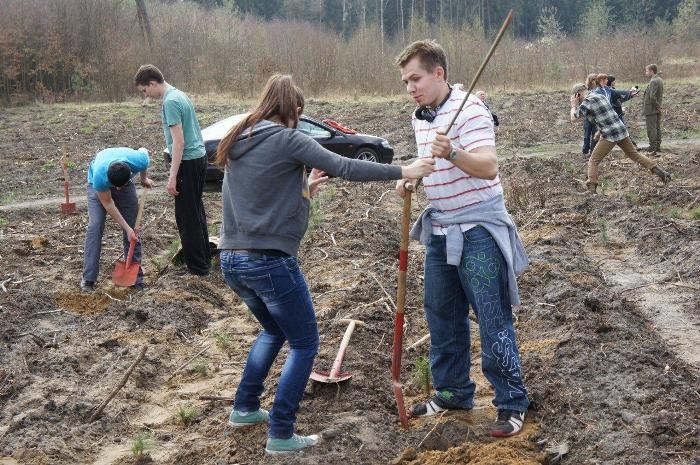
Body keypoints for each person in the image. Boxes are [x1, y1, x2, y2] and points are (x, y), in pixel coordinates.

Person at [213, 74, 434, 454]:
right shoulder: (288, 138)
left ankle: (245, 408)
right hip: (268, 261)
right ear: (292, 109)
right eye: (299, 114)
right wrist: (404, 170)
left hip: (233, 260)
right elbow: (346, 167)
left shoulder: (240, 138)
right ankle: (281, 432)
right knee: (305, 343)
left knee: (273, 331)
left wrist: (305, 189)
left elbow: (256, 197)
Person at [394, 39, 530, 438]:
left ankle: (511, 402)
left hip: (478, 231)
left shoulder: (470, 110)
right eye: (405, 82)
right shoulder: (421, 116)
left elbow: (488, 167)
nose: (410, 88)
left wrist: (453, 152)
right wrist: (412, 178)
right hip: (440, 229)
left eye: (416, 79)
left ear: (438, 73)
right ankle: (453, 392)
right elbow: (429, 164)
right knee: (441, 314)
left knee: (492, 317)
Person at [134, 64, 211, 276]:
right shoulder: (180, 94)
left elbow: (179, 142)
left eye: (145, 90)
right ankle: (204, 262)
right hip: (199, 158)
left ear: (152, 83)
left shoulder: (170, 102)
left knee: (186, 217)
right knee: (195, 212)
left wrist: (172, 177)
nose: (146, 95)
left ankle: (197, 269)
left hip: (188, 162)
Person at [570, 82, 671, 193]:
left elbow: (574, 118)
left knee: (593, 160)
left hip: (610, 135)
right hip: (620, 130)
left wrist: (574, 105)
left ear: (577, 94)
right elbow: (606, 115)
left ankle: (592, 190)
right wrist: (599, 131)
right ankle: (662, 173)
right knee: (635, 155)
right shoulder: (599, 95)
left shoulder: (587, 101)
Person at [81, 147, 153, 292]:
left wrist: (143, 178)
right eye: (115, 187)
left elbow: (144, 154)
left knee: (133, 230)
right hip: (97, 187)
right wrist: (126, 228)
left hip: (123, 179)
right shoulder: (100, 177)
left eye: (120, 187)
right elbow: (108, 203)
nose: (117, 190)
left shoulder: (139, 160)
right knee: (95, 226)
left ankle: (136, 279)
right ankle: (88, 279)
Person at [642, 64, 664, 154]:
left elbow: (652, 97)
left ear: (651, 71)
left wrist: (657, 106)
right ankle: (657, 146)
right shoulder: (659, 79)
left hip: (652, 109)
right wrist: (659, 106)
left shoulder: (653, 81)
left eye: (647, 71)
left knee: (652, 129)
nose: (646, 73)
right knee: (657, 127)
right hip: (656, 108)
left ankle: (653, 147)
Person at [582, 73, 599, 155]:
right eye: (593, 79)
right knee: (587, 134)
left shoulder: (599, 90)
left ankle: (593, 152)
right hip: (588, 116)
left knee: (595, 134)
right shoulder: (587, 91)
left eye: (596, 79)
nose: (595, 81)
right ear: (590, 81)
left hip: (596, 116)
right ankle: (585, 151)